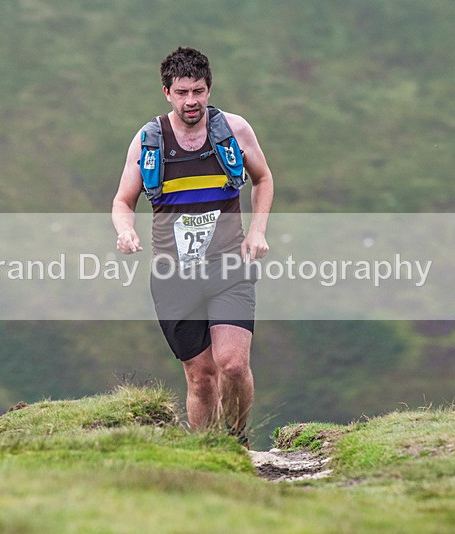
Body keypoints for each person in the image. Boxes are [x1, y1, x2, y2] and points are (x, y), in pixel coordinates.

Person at [112, 47, 273, 445]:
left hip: (227, 267)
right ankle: (206, 454)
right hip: (174, 276)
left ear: (209, 88)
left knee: (232, 365)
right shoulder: (149, 139)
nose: (191, 101)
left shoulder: (233, 130)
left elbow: (263, 178)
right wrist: (125, 230)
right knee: (201, 378)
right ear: (166, 91)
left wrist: (257, 231)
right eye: (182, 92)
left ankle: (237, 442)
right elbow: (122, 200)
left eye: (198, 91)